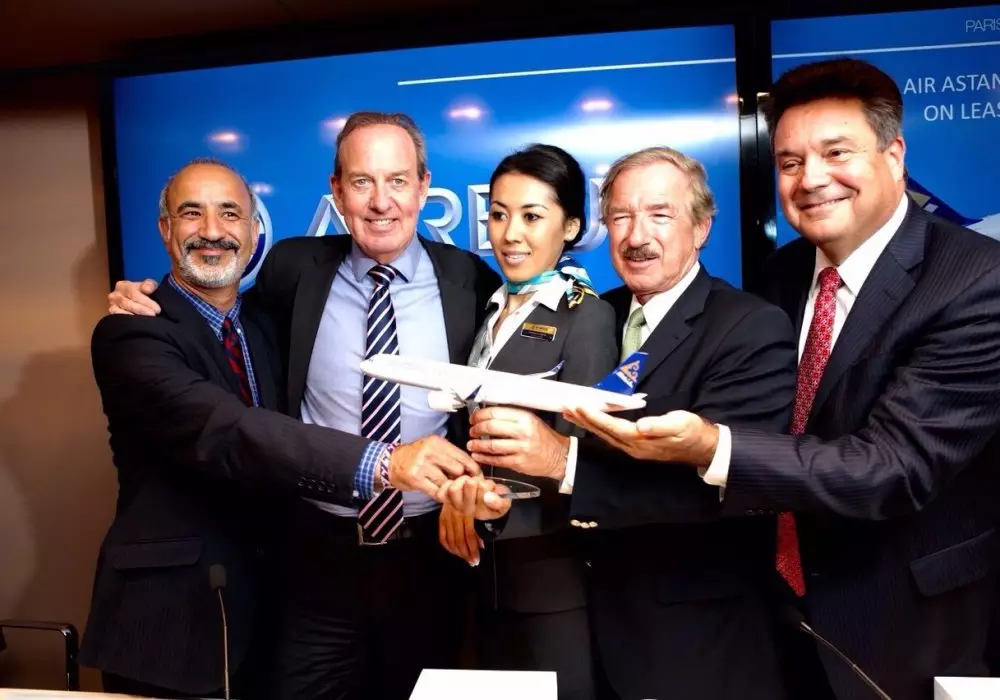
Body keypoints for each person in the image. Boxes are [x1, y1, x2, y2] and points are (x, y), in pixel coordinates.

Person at [567, 59, 1000, 700]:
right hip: (769, 614)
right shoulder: (783, 273)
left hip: (905, 620)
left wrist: (714, 445)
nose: (811, 178)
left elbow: (894, 468)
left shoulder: (976, 280)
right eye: (791, 162)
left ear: (894, 156)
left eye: (836, 153)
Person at [107, 112, 500, 700]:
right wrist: (144, 293)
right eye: (361, 181)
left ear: (424, 186)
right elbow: (213, 330)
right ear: (337, 191)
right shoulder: (294, 270)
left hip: (429, 555)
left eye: (397, 180)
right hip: (314, 555)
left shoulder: (468, 279)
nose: (381, 201)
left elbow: (499, 386)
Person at [466, 146, 797, 700]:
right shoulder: (598, 311)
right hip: (580, 620)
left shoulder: (749, 327)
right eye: (620, 216)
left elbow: (729, 485)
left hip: (689, 640)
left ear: (702, 227)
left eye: (659, 214)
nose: (637, 235)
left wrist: (561, 461)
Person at [437, 144, 617, 700]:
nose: (510, 233)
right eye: (498, 214)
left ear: (572, 227)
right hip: (478, 567)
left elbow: (585, 457)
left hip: (551, 576)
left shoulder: (587, 315)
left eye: (532, 216)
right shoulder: (489, 309)